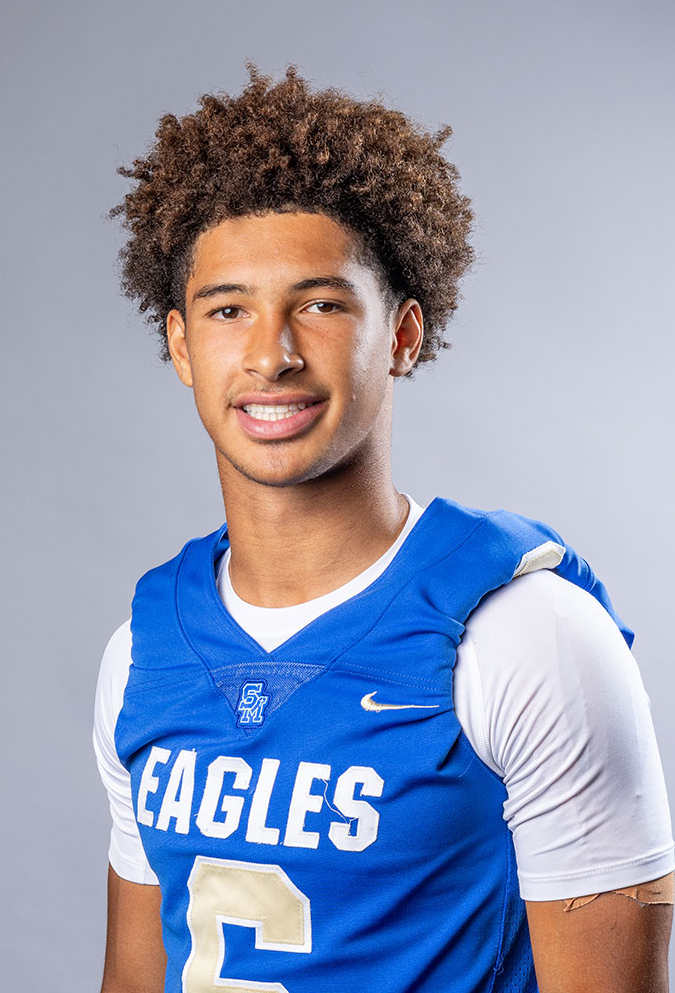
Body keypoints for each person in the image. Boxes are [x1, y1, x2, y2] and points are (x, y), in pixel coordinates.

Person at [93, 64, 674, 993]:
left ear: (402, 336)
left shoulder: (532, 639)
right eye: (229, 310)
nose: (272, 354)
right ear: (179, 345)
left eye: (321, 305)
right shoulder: (142, 652)